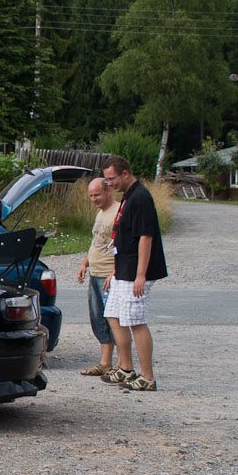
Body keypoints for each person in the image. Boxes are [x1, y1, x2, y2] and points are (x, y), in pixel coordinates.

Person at [101, 155, 168, 392]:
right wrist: (114, 270)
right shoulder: (128, 196)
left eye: (112, 179)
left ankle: (147, 376)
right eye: (107, 180)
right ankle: (126, 367)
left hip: (136, 272)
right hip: (123, 269)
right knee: (113, 314)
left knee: (136, 321)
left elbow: (145, 237)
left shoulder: (141, 198)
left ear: (125, 173)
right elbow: (122, 238)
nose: (109, 184)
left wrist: (141, 275)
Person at [75, 177, 119, 377]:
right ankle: (104, 363)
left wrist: (115, 272)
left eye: (97, 195)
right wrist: (85, 263)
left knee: (115, 320)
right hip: (95, 272)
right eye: (91, 196)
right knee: (98, 318)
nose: (94, 199)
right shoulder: (100, 213)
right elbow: (96, 241)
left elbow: (124, 247)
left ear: (108, 191)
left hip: (109, 275)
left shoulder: (118, 212)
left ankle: (122, 364)